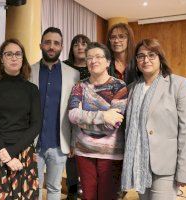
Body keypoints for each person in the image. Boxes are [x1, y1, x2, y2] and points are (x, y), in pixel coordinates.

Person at [121, 38, 186, 200]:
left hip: (165, 165)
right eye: (141, 56)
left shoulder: (179, 85)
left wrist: (185, 171)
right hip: (139, 163)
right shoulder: (132, 89)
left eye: (151, 55)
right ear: (136, 61)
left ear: (160, 58)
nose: (146, 59)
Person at [0, 39, 41, 200]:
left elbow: (36, 125)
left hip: (23, 153)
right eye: (9, 54)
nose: (14, 58)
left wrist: (12, 153)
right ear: (1, 58)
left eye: (18, 54)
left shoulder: (32, 89)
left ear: (23, 59)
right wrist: (5, 155)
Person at [68, 42, 128, 200]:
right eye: (89, 58)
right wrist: (103, 115)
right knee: (88, 197)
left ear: (108, 62)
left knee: (106, 197)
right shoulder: (80, 86)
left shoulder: (119, 86)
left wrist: (85, 116)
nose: (93, 61)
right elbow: (73, 115)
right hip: (84, 151)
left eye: (98, 57)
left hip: (111, 154)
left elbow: (113, 124)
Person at [30, 27, 80, 200]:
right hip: (33, 143)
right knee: (33, 188)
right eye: (48, 42)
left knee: (54, 187)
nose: (52, 46)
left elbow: (75, 111)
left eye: (56, 43)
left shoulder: (74, 75)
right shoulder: (28, 72)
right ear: (41, 45)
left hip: (60, 144)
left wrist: (73, 140)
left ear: (61, 47)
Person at [63, 34, 91, 200]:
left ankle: (86, 190)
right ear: (71, 49)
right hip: (68, 116)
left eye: (84, 44)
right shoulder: (64, 66)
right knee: (71, 155)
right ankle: (72, 192)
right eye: (76, 45)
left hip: (89, 118)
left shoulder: (94, 65)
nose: (80, 47)